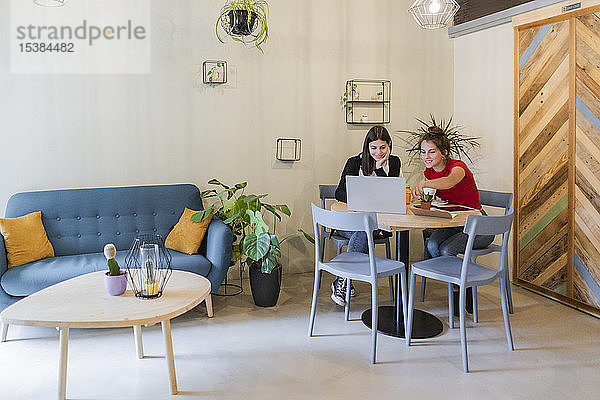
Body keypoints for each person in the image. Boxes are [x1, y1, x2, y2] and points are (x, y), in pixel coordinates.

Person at [412, 126, 493, 315]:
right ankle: (461, 287)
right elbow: (438, 196)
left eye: (432, 151)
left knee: (447, 249)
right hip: (455, 223)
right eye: (423, 152)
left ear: (445, 153)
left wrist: (425, 184)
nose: (426, 156)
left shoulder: (458, 167)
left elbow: (449, 181)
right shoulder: (430, 172)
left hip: (478, 225)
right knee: (432, 245)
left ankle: (461, 291)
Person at [332, 125, 401, 306]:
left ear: (389, 146)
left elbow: (393, 194)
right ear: (367, 147)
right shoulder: (354, 163)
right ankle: (344, 280)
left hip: (377, 224)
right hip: (349, 222)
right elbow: (339, 193)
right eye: (373, 148)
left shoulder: (394, 163)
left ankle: (342, 280)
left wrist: (378, 169)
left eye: (382, 147)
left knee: (365, 229)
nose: (378, 152)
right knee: (363, 229)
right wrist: (359, 200)